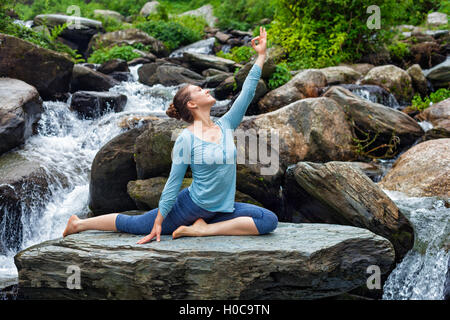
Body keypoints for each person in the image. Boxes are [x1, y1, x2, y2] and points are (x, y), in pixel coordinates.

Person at [63, 27, 278, 243]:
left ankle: (203, 230)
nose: (206, 90)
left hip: (222, 208)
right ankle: (79, 223)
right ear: (192, 104)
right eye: (199, 90)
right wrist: (159, 222)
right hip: (191, 208)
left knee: (268, 220)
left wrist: (260, 56)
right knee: (136, 224)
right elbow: (173, 183)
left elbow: (248, 92)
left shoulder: (226, 124)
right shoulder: (186, 138)